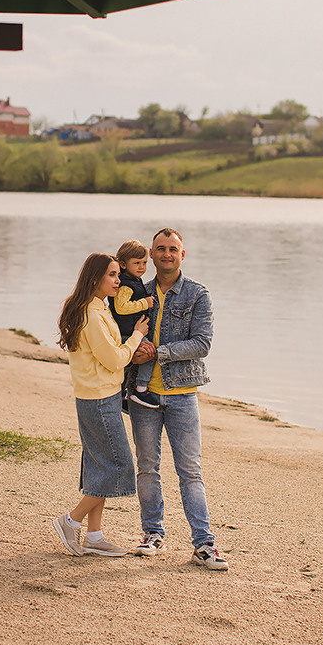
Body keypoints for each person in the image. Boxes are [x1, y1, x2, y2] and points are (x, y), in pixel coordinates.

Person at [129, 227, 229, 571]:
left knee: (190, 471)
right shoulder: (135, 293)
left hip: (183, 395)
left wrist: (157, 352)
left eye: (173, 249)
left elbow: (202, 344)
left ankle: (204, 544)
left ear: (182, 255)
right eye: (161, 249)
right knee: (147, 467)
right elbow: (120, 336)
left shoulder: (198, 295)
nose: (167, 254)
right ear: (152, 255)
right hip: (143, 395)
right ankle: (152, 534)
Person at [54, 253, 150, 558]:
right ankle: (71, 521)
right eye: (111, 275)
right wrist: (136, 337)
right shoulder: (93, 317)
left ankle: (94, 536)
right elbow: (114, 360)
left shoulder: (97, 308)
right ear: (95, 279)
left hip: (99, 397)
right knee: (118, 467)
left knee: (99, 468)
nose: (118, 280)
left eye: (117, 274)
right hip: (98, 401)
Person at [107, 239, 159, 411]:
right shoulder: (126, 284)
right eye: (136, 263)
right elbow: (120, 308)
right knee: (148, 354)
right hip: (128, 330)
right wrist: (145, 303)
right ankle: (141, 389)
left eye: (144, 263)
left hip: (131, 329)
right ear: (123, 264)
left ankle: (122, 395)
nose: (142, 267)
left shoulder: (133, 280)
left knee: (128, 364)